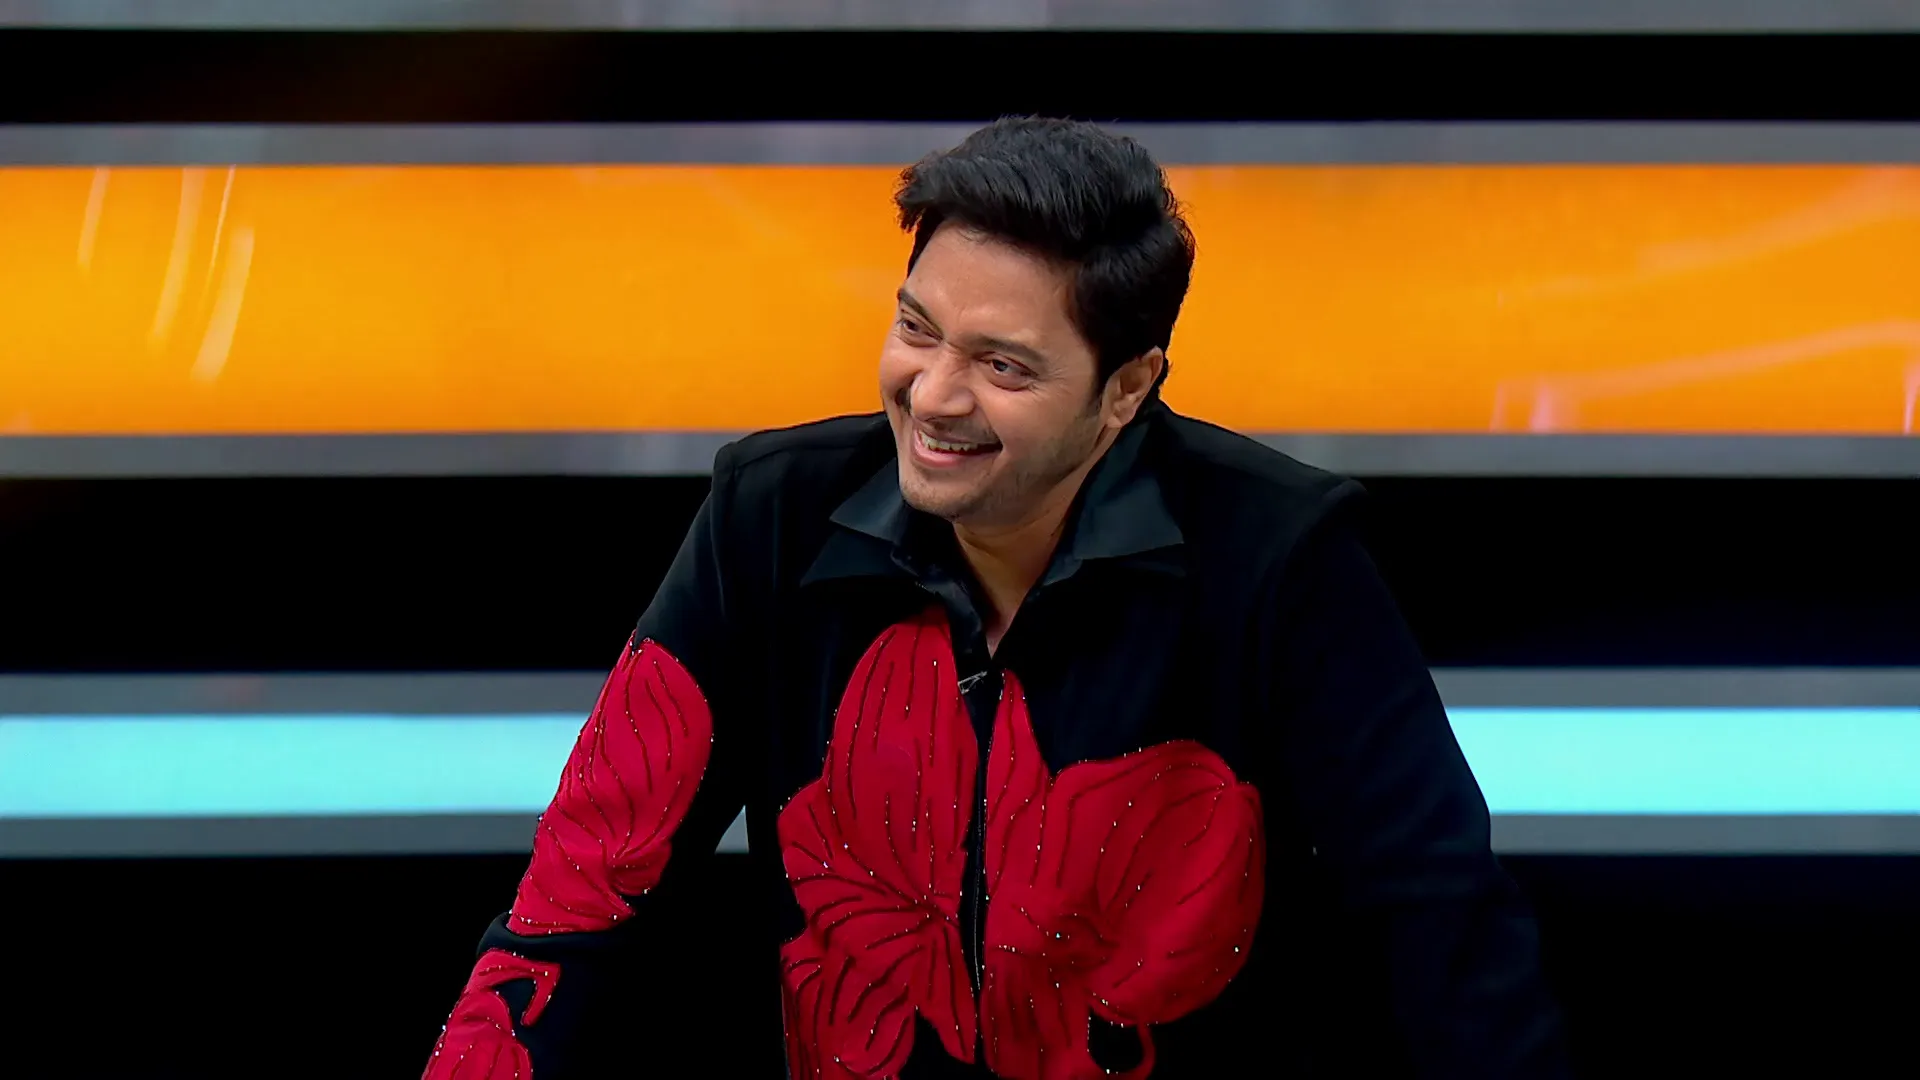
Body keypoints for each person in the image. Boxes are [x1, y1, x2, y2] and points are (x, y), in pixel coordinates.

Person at [423, 117, 1569, 1079]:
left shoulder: (1282, 562)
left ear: (1126, 390)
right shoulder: (766, 519)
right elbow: (581, 899)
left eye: (1002, 365)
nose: (933, 395)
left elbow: (1445, 945)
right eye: (915, 330)